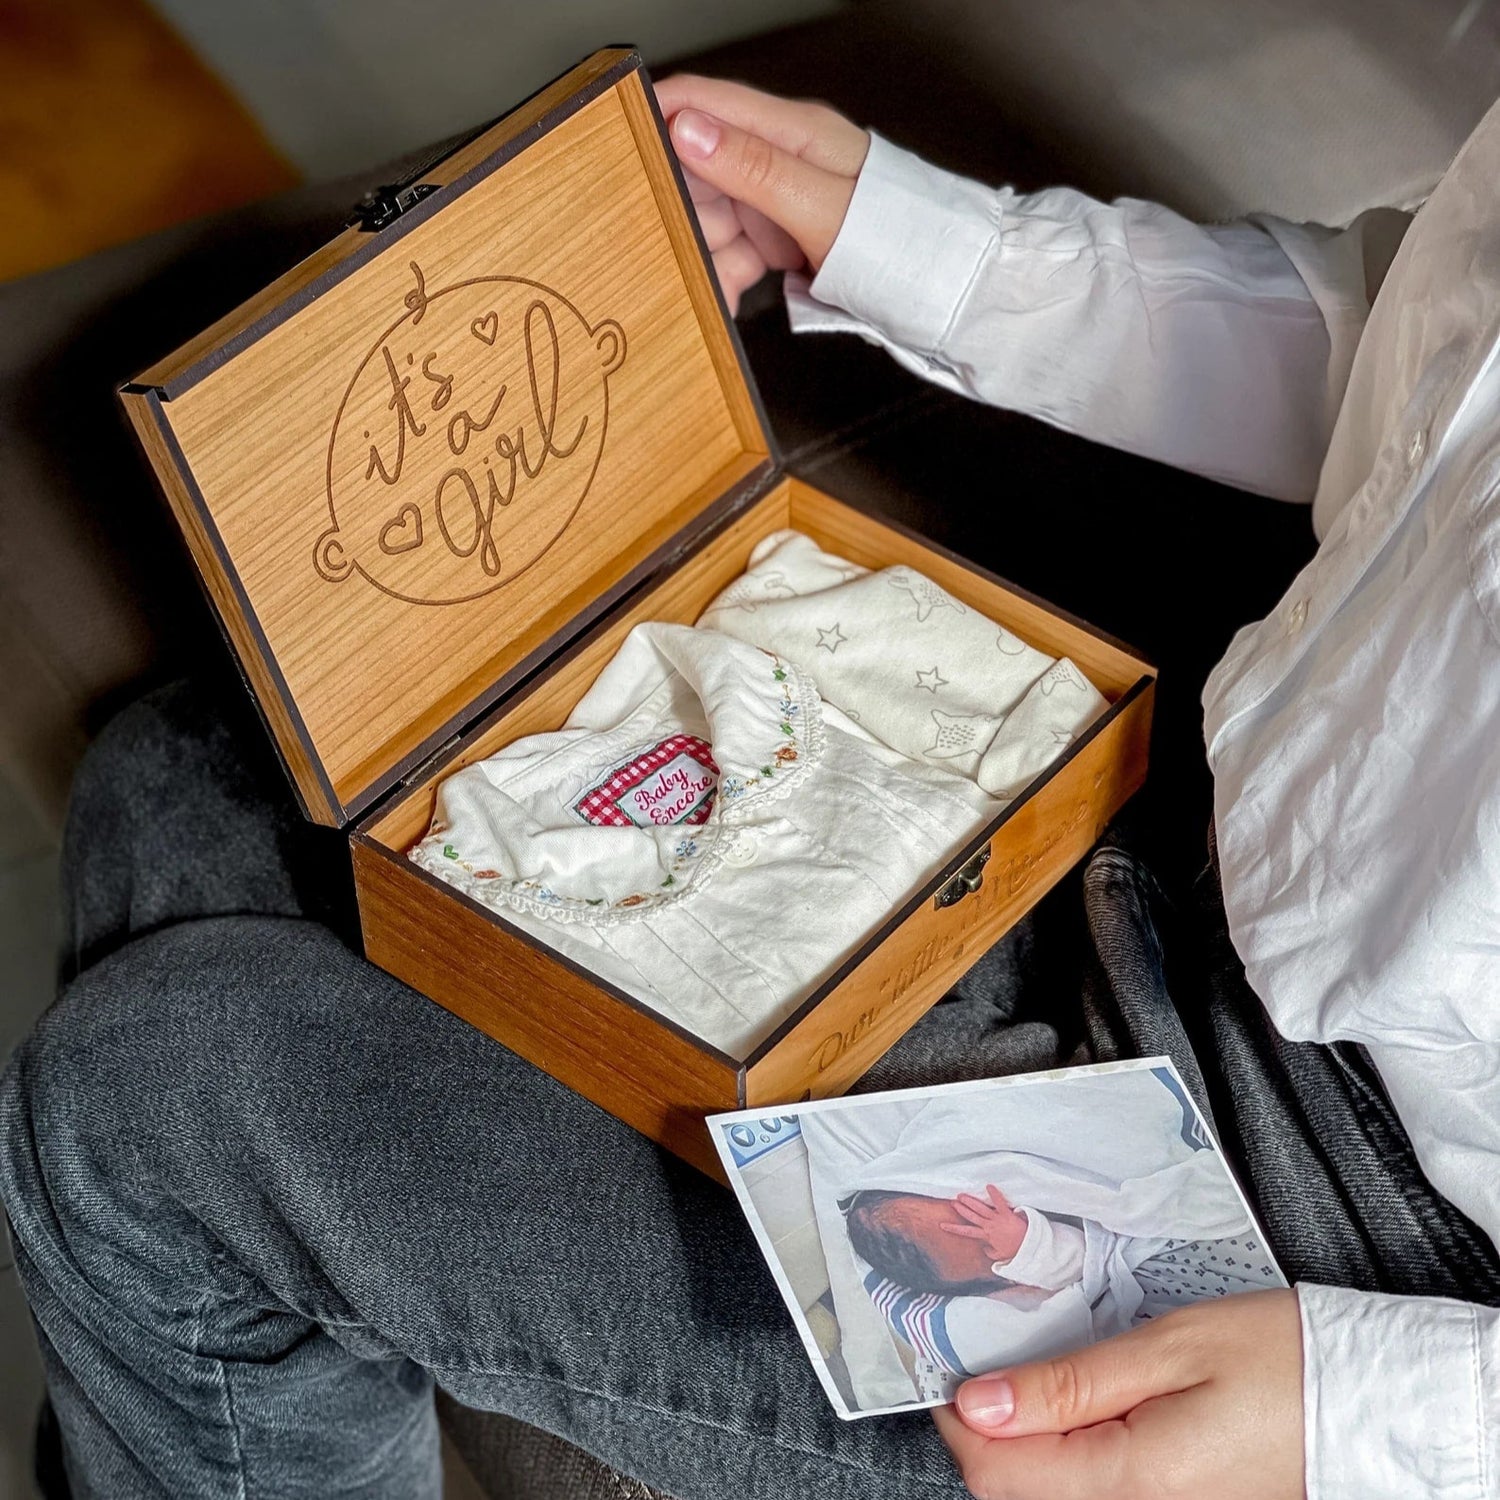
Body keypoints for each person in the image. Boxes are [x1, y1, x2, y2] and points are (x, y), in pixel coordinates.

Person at [1, 68, 1497, 1500]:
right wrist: (934, 249)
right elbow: (1429, 364)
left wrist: (1367, 1415)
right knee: (182, 784)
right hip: (1182, 864)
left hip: (1341, 1270)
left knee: (141, 1116)